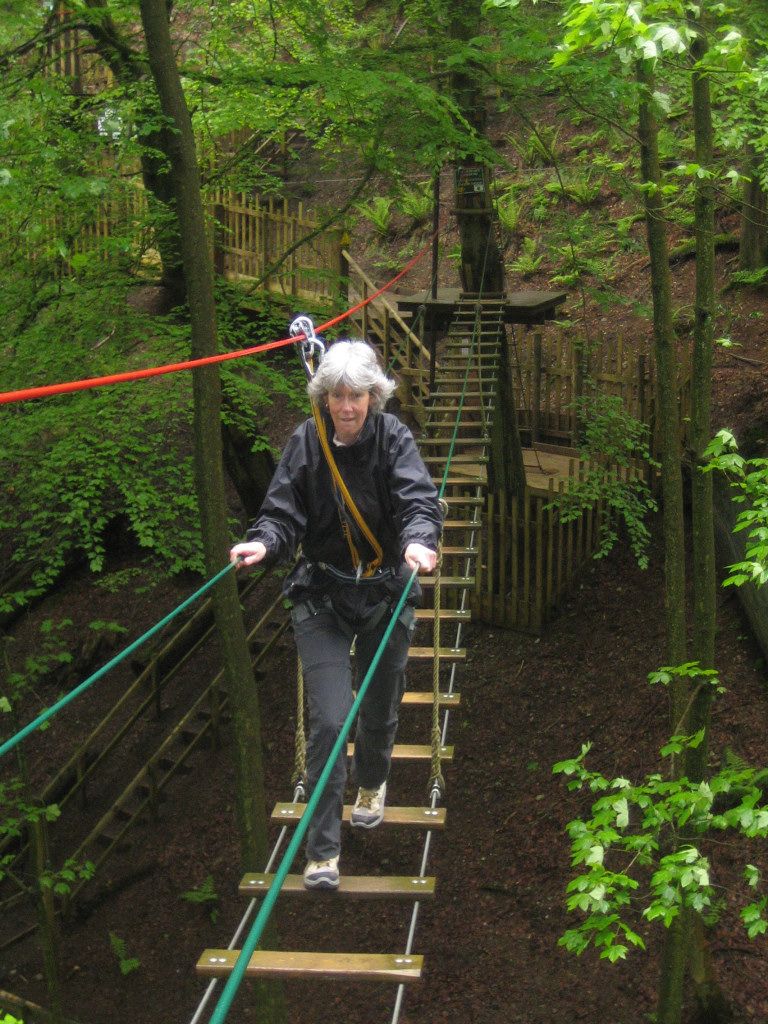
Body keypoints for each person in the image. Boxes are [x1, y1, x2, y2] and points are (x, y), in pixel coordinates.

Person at [230, 339, 442, 891]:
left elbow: (418, 499)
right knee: (330, 719)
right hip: (322, 596)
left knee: (380, 704)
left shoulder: (393, 440)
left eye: (357, 396)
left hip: (384, 594)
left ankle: (372, 781)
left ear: (374, 397)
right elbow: (282, 513)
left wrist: (419, 541)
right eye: (337, 397)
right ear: (323, 399)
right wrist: (264, 545)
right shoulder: (306, 442)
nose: (347, 407)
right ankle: (322, 851)